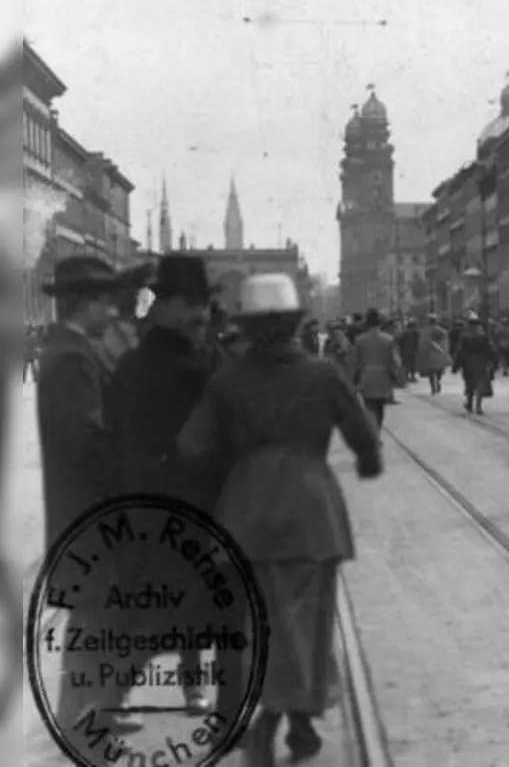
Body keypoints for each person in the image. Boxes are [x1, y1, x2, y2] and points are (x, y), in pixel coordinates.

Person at [178, 274, 383, 766]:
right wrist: (365, 462)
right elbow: (363, 436)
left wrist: (237, 459)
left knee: (260, 622)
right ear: (294, 323)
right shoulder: (322, 373)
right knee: (308, 623)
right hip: (310, 511)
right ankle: (282, 720)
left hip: (245, 512)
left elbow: (190, 445)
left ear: (246, 326)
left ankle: (290, 719)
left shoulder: (226, 378)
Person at [106, 254, 223, 716]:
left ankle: (115, 694)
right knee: (184, 598)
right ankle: (189, 688)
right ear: (166, 308)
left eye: (203, 304)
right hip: (186, 501)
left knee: (149, 598)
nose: (201, 315)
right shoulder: (194, 370)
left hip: (139, 500)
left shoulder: (130, 365)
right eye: (190, 305)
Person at [36, 256, 143, 732]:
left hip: (80, 503)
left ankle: (87, 710)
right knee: (95, 609)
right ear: (84, 303)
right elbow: (86, 439)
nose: (111, 312)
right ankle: (78, 716)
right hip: (88, 506)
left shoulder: (69, 350)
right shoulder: (73, 357)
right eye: (104, 302)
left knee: (95, 610)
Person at [352, 308, 405, 429]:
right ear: (380, 323)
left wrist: (355, 378)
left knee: (369, 406)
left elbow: (355, 361)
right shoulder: (388, 339)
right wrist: (394, 375)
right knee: (380, 407)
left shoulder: (359, 340)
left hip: (366, 376)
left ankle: (372, 431)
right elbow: (395, 361)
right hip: (383, 377)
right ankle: (377, 430)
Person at [453, 311, 497, 415]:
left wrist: (456, 365)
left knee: (469, 384)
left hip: (468, 362)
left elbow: (459, 351)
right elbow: (490, 350)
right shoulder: (484, 336)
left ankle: (469, 403)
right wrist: (493, 363)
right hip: (481, 362)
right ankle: (478, 406)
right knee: (480, 384)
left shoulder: (464, 336)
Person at [415, 314, 452, 394]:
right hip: (439, 353)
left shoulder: (425, 331)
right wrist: (445, 351)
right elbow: (446, 343)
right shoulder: (442, 331)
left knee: (432, 371)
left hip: (430, 353)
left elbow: (422, 343)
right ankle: (436, 384)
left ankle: (434, 386)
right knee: (437, 370)